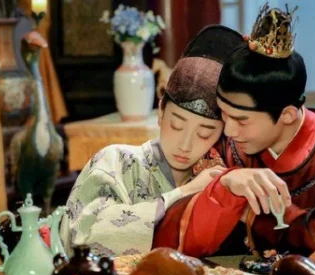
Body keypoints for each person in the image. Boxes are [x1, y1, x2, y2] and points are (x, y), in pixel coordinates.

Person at [153, 3, 315, 274]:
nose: (228, 131)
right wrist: (224, 190)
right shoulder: (225, 146)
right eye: (224, 114)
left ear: (287, 115)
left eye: (241, 120)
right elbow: (172, 236)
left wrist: (260, 214)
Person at [59, 25, 243, 257]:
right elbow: (83, 238)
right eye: (177, 125)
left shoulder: (214, 178)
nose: (185, 145)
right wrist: (182, 193)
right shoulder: (115, 161)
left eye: (204, 134)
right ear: (161, 112)